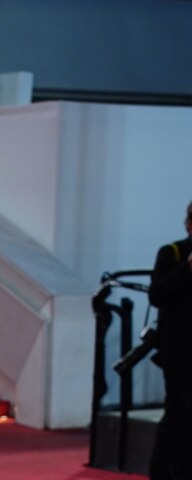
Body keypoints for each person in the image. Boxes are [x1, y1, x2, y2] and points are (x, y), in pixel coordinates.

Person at [148, 200, 192, 480]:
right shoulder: (172, 253)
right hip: (180, 351)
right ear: (189, 225)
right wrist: (187, 268)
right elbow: (157, 295)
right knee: (179, 414)